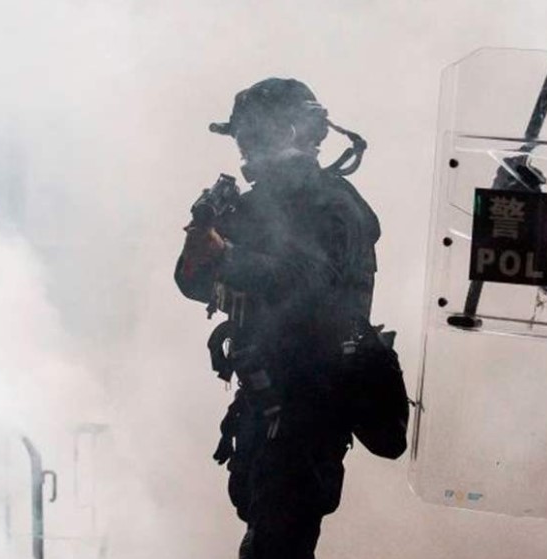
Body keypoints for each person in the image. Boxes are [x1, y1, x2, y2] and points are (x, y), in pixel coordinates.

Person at [175, 78, 408, 559]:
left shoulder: (333, 205)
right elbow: (194, 283)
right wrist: (203, 244)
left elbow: (311, 282)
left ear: (292, 131)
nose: (245, 146)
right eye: (242, 136)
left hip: (310, 403)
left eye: (254, 134)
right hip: (263, 401)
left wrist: (228, 254)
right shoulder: (256, 207)